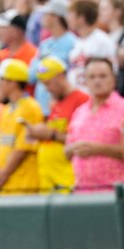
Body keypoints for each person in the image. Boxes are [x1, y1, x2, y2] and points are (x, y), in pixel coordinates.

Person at [66, 57, 124, 192]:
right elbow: (67, 149)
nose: (97, 81)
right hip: (81, 190)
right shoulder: (80, 112)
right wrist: (74, 148)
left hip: (113, 190)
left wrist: (97, 149)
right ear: (85, 81)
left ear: (113, 79)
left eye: (102, 76)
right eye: (91, 77)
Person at [26, 57, 89, 193]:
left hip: (67, 178)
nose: (47, 89)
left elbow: (83, 140)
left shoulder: (81, 100)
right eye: (44, 84)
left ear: (60, 76)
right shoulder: (56, 102)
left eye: (49, 83)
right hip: (49, 179)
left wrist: (50, 134)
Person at [0, 59, 43, 195]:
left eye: (2, 79)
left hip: (23, 185)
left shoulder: (30, 107)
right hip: (5, 185)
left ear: (13, 82)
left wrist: (2, 176)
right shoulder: (7, 109)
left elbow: (23, 148)